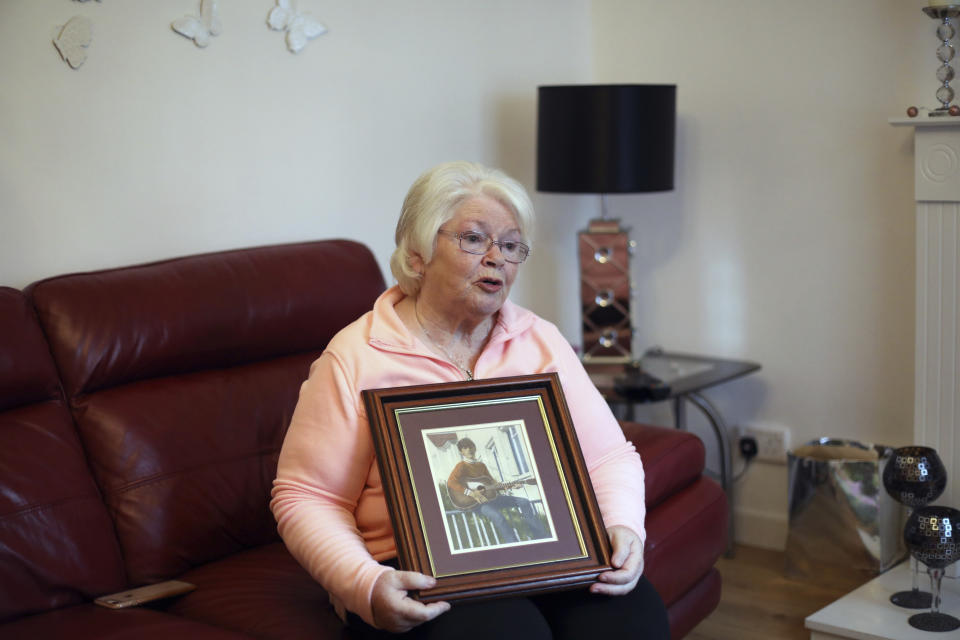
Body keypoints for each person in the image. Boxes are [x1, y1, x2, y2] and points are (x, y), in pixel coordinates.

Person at [270, 161, 669, 639]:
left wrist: (624, 527)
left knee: (632, 615)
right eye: (474, 239)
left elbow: (609, 456)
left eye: (511, 244)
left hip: (540, 550)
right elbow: (306, 496)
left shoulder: (540, 341)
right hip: (408, 568)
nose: (497, 257)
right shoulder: (355, 356)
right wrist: (364, 584)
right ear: (417, 255)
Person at [445, 437, 548, 544]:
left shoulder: (481, 465)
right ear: (461, 452)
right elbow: (451, 482)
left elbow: (493, 484)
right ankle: (514, 546)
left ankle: (540, 536)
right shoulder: (461, 466)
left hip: (492, 498)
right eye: (465, 448)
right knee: (499, 517)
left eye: (470, 447)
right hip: (477, 504)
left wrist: (510, 486)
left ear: (474, 448)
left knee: (524, 502)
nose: (469, 450)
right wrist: (470, 492)